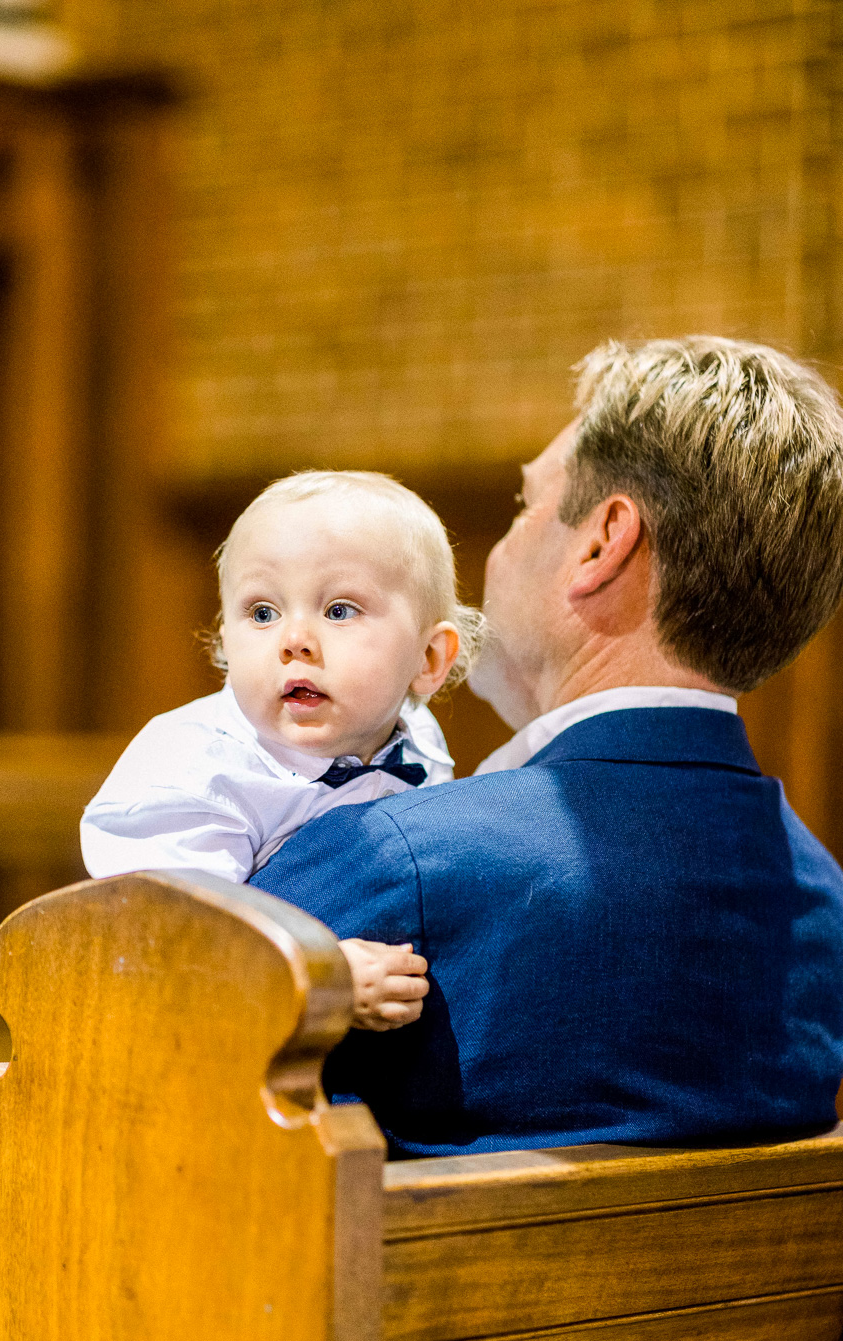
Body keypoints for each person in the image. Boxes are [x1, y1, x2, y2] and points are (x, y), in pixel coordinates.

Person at [252, 337, 843, 1158]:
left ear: (602, 545)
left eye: (525, 506)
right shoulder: (822, 902)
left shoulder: (406, 862)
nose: (493, 551)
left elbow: (132, 1056)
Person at [81, 469, 484, 1031]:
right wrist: (322, 975)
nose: (293, 640)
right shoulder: (192, 767)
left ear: (429, 661)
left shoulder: (420, 742)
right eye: (262, 613)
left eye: (339, 610)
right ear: (225, 644)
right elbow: (166, 947)